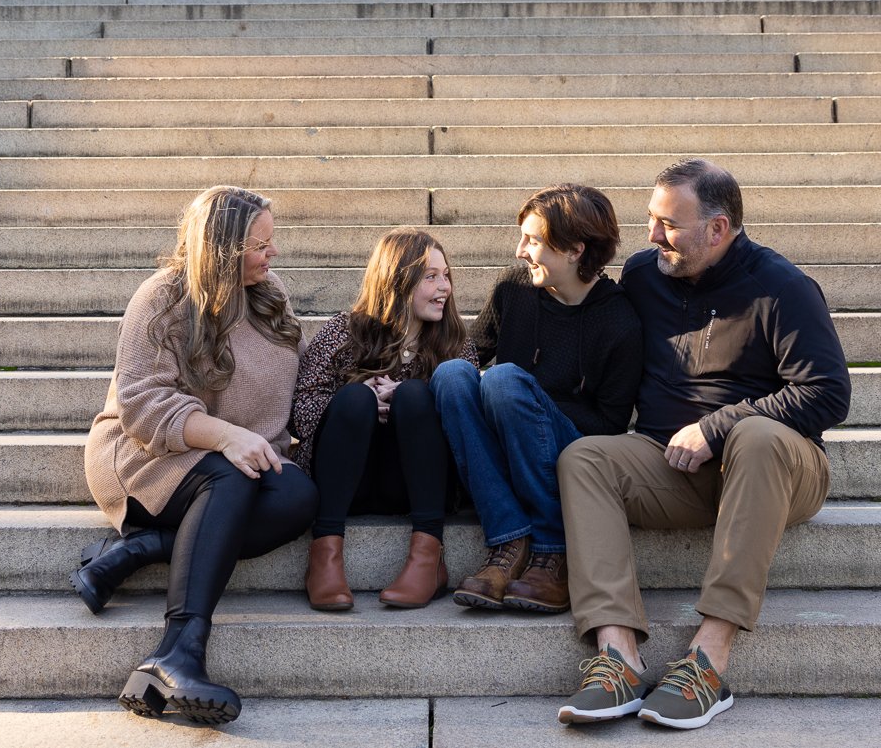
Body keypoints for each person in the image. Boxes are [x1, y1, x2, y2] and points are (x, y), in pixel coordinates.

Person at [555, 159, 849, 730]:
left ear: (718, 229)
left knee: (757, 435)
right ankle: (617, 657)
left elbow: (828, 393)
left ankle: (708, 662)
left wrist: (717, 427)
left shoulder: (782, 286)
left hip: (778, 470)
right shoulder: (644, 275)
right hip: (671, 466)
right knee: (584, 456)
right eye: (650, 218)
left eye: (669, 223)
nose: (651, 235)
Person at [75, 185, 316, 727]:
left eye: (271, 242)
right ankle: (177, 652)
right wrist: (227, 435)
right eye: (260, 244)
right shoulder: (161, 298)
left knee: (299, 494)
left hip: (230, 462)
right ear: (222, 248)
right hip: (144, 454)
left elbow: (299, 371)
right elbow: (143, 404)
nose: (272, 254)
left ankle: (142, 549)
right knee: (227, 477)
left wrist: (365, 384)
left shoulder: (267, 294)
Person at [433, 183, 643, 615]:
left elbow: (610, 424)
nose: (519, 251)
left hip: (567, 452)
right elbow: (470, 354)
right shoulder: (515, 288)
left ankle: (553, 549)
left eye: (533, 241)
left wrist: (531, 404)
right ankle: (509, 540)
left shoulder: (619, 320)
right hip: (506, 434)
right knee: (453, 374)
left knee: (505, 381)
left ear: (573, 250)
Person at [291, 227, 474, 611]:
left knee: (414, 394)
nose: (446, 287)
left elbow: (466, 417)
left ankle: (428, 556)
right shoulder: (344, 331)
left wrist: (412, 399)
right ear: (398, 281)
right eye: (431, 277)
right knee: (355, 399)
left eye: (447, 276)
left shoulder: (456, 342)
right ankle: (325, 556)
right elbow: (302, 407)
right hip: (348, 480)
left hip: (417, 484)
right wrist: (365, 404)